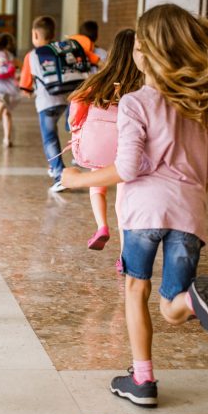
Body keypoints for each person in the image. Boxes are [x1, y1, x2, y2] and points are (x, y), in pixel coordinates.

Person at [61, 3, 208, 408]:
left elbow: (128, 167)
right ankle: (192, 301)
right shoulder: (201, 107)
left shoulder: (135, 102)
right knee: (170, 306)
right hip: (189, 213)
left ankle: (143, 380)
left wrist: (79, 179)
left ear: (143, 53)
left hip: (144, 213)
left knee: (136, 288)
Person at [67, 29, 144, 251]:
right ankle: (124, 253)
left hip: (100, 146)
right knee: (122, 199)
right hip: (126, 149)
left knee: (96, 186)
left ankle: (102, 227)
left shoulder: (99, 81)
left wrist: (76, 125)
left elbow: (77, 105)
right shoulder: (139, 84)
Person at [18, 16, 71, 191]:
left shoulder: (32, 56)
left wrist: (28, 91)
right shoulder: (60, 50)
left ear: (35, 34)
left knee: (49, 139)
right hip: (64, 100)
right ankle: (54, 166)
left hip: (46, 103)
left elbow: (25, 87)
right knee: (54, 133)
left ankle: (59, 175)